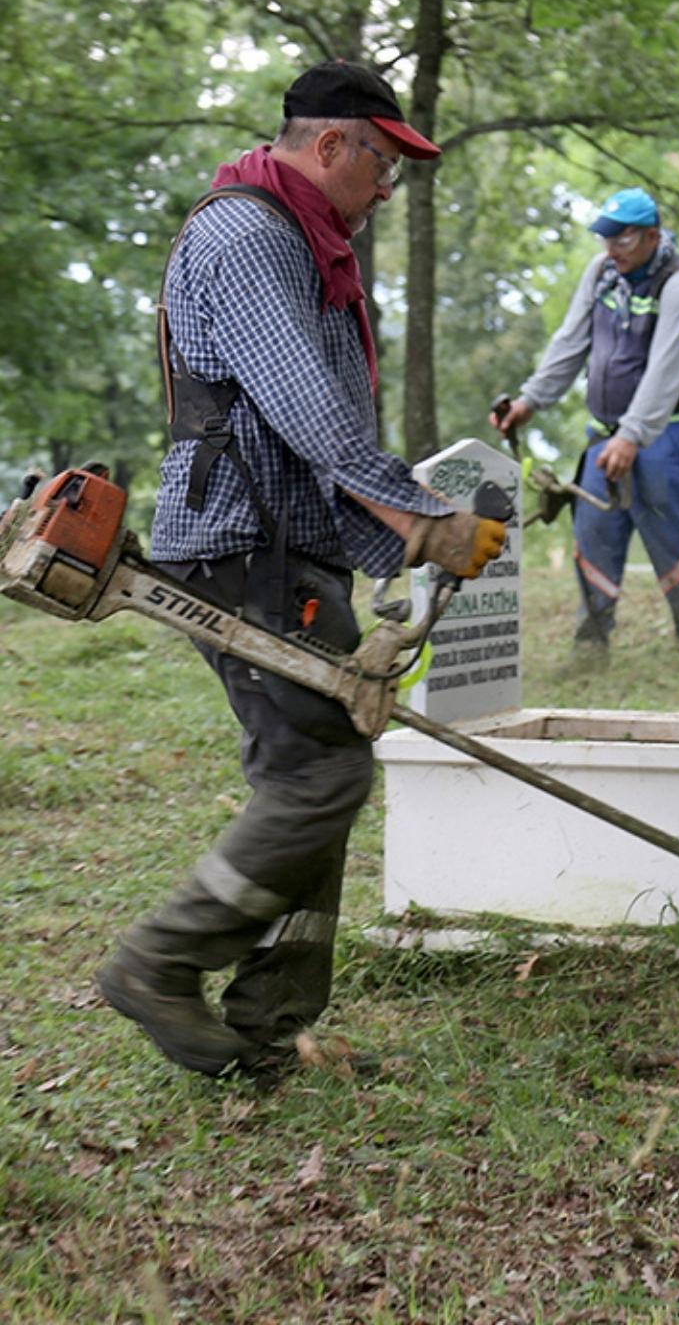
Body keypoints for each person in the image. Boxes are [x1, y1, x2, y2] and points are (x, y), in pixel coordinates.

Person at [96, 61, 507, 1079]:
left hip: (281, 542)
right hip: (243, 549)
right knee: (320, 773)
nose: (384, 190)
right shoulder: (248, 238)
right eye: (383, 164)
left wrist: (399, 542)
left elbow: (306, 441)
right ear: (331, 147)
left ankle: (260, 1036)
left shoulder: (295, 238)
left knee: (316, 765)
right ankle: (159, 960)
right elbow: (304, 411)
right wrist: (423, 522)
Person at [491, 186, 679, 650]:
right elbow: (570, 341)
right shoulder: (602, 274)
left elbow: (666, 373)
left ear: (653, 236)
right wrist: (530, 400)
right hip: (604, 435)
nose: (611, 248)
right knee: (593, 533)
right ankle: (590, 645)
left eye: (623, 239)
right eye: (606, 238)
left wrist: (633, 435)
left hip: (665, 438)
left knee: (671, 534)